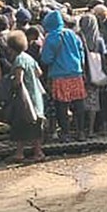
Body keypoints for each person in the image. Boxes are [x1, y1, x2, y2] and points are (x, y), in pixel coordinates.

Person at [41, 11, 87, 140]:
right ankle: (81, 132)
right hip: (76, 73)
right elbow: (81, 51)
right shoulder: (72, 34)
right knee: (78, 104)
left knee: (62, 105)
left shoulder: (50, 37)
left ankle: (65, 133)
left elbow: (46, 59)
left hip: (59, 76)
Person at [7, 29, 46, 161]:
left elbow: (18, 80)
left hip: (26, 98)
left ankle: (19, 153)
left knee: (21, 126)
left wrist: (11, 84)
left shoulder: (19, 60)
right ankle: (38, 152)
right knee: (36, 127)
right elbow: (39, 72)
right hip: (36, 95)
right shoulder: (29, 57)